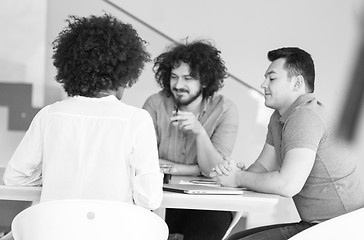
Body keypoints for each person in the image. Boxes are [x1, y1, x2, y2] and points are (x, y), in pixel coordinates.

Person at [3, 14, 163, 210]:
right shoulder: (136, 120)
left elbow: (14, 178)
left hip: (54, 230)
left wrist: (54, 180)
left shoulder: (49, 115)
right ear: (124, 74)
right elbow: (151, 199)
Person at [212, 47, 364, 239]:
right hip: (316, 225)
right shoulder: (279, 118)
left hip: (340, 228)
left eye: (272, 78)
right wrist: (233, 173)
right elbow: (263, 166)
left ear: (297, 83)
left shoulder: (305, 116)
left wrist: (239, 178)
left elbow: (289, 184)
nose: (263, 84)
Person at [143, 40, 239, 240]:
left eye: (188, 78)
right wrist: (194, 169)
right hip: (161, 197)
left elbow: (214, 171)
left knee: (212, 221)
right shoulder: (155, 103)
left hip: (206, 203)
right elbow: (145, 162)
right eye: (174, 77)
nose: (178, 85)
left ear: (204, 81)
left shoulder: (225, 110)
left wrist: (200, 132)